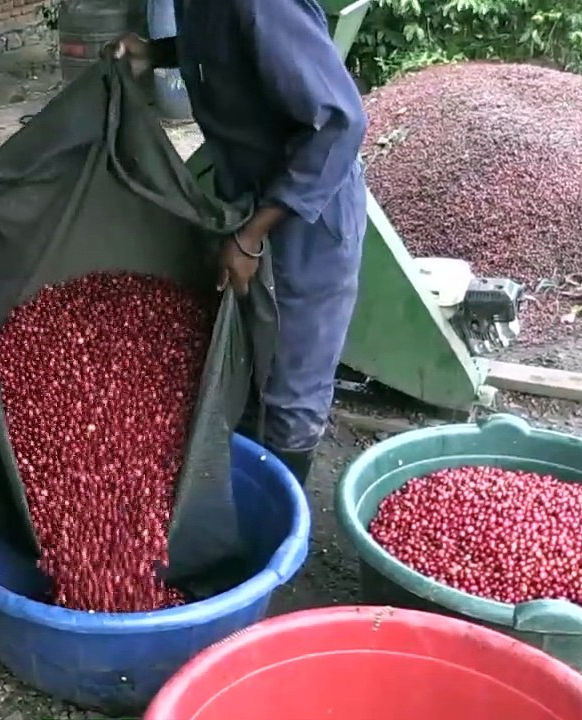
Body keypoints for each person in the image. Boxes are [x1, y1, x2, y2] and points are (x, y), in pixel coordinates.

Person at [106, 0, 368, 484]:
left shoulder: (261, 5)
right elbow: (223, 51)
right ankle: (244, 480)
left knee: (291, 391)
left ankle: (283, 516)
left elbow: (340, 123)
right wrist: (155, 53)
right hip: (248, 200)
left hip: (307, 217)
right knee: (249, 366)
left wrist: (250, 237)